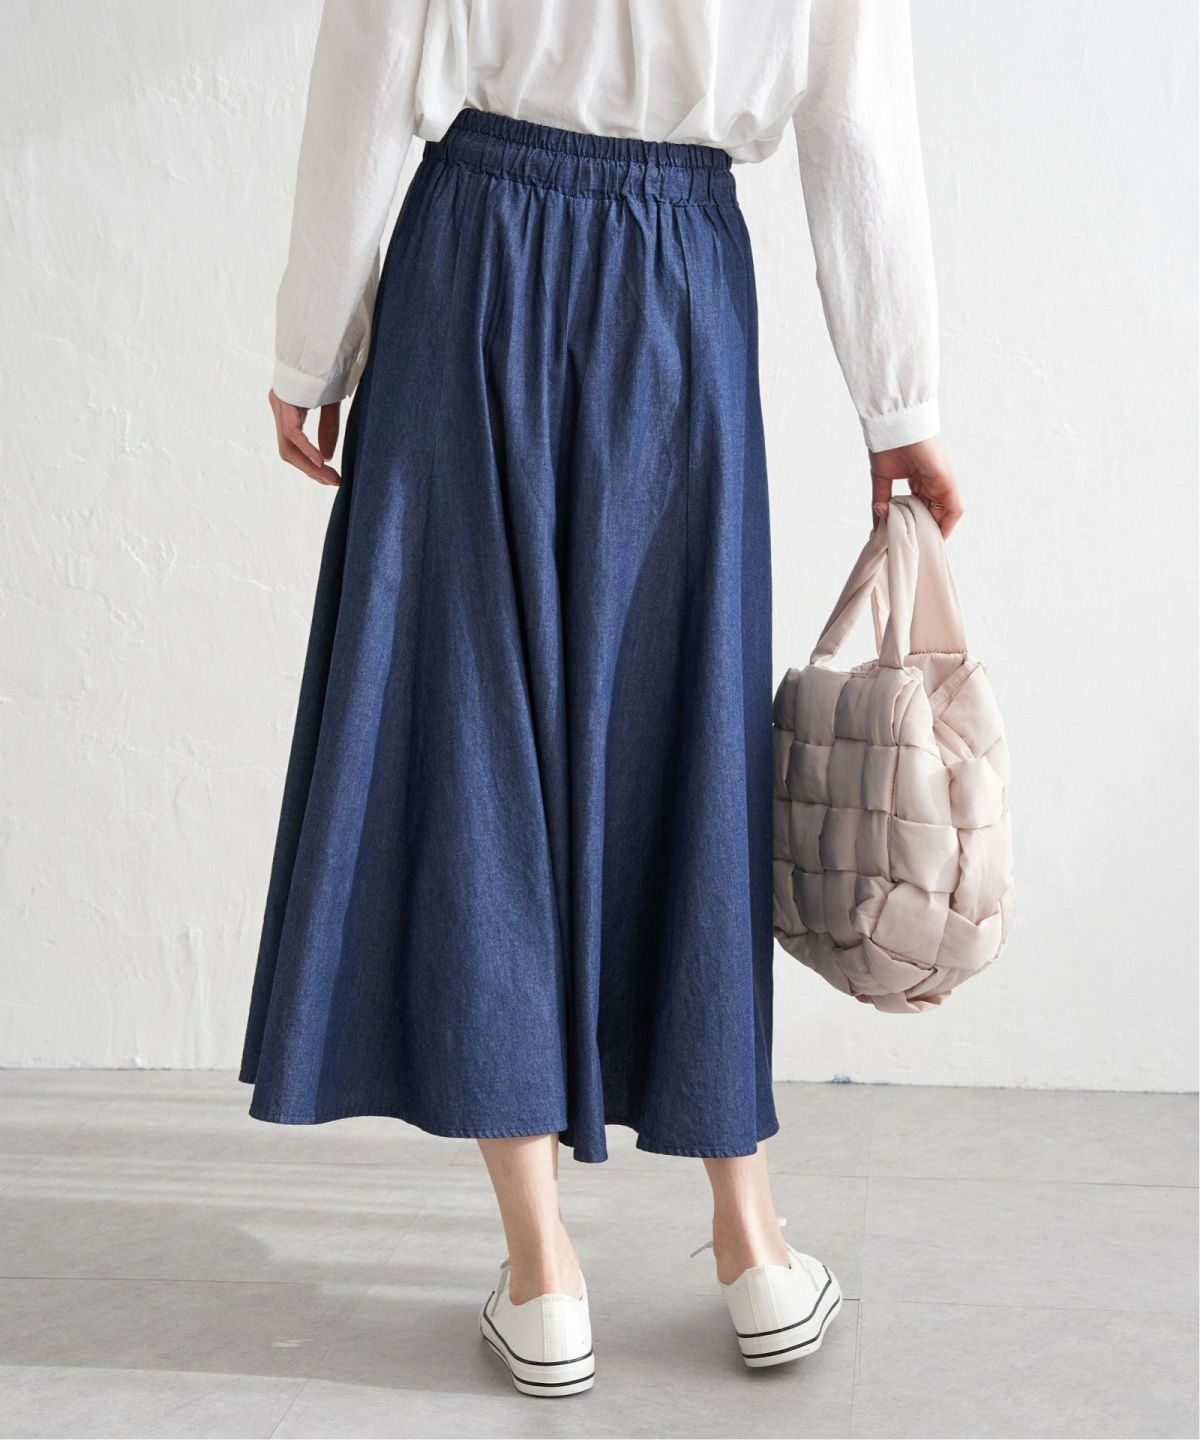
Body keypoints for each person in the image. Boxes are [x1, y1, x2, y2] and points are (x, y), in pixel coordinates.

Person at [240, 0, 963, 1397]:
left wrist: (310, 345)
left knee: (477, 740)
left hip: (473, 259)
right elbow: (857, 118)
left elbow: (371, 59)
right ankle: (753, 1249)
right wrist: (900, 404)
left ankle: (543, 1276)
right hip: (680, 278)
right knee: (691, 739)